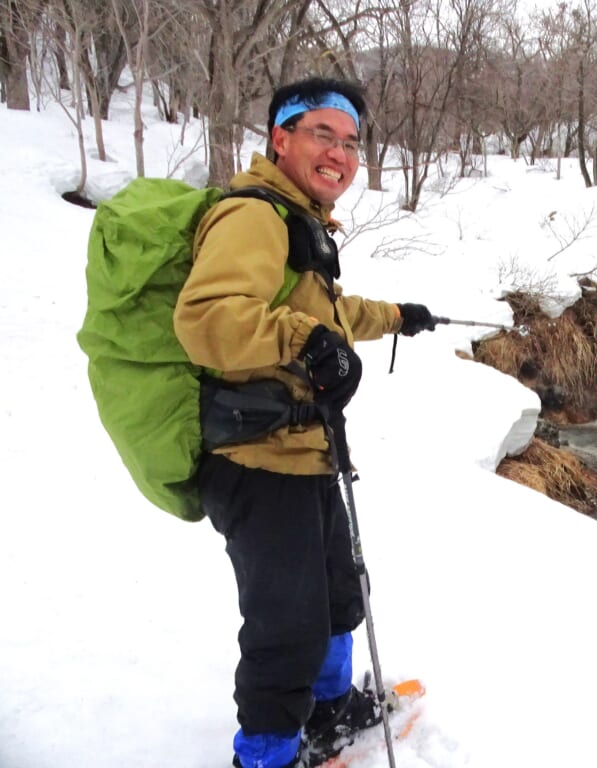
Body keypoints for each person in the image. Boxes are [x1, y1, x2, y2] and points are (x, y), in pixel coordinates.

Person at [173, 77, 436, 768]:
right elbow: (206, 319)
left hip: (307, 450)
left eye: (351, 142)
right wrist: (305, 342)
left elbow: (330, 315)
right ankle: (266, 756)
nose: (341, 153)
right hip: (257, 462)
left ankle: (329, 708)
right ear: (280, 138)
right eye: (323, 134)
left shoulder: (300, 219)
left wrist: (397, 317)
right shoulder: (253, 216)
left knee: (339, 593)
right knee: (286, 624)